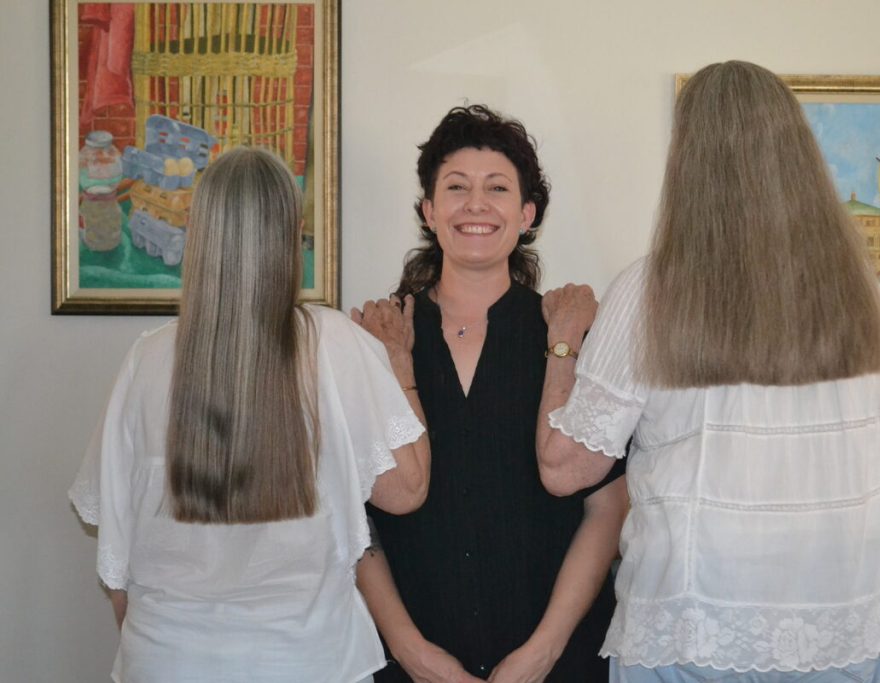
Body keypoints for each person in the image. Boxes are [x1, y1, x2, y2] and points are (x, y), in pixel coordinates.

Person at [536, 61, 880, 682]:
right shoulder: (865, 296)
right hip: (840, 630)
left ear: (689, 162)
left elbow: (566, 469)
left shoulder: (650, 291)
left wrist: (562, 345)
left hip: (691, 626)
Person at [68, 147, 431, 683]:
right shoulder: (335, 343)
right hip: (307, 661)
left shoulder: (146, 358)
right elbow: (406, 490)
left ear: (199, 233)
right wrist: (399, 361)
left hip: (166, 658)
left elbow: (116, 558)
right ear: (291, 234)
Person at [352, 104, 629, 682]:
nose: (475, 204)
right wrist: (409, 650)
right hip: (411, 663)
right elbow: (349, 516)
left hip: (560, 661)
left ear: (527, 214)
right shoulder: (374, 342)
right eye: (456, 187)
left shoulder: (574, 334)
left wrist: (545, 650)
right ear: (429, 211)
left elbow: (607, 507)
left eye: (497, 188)